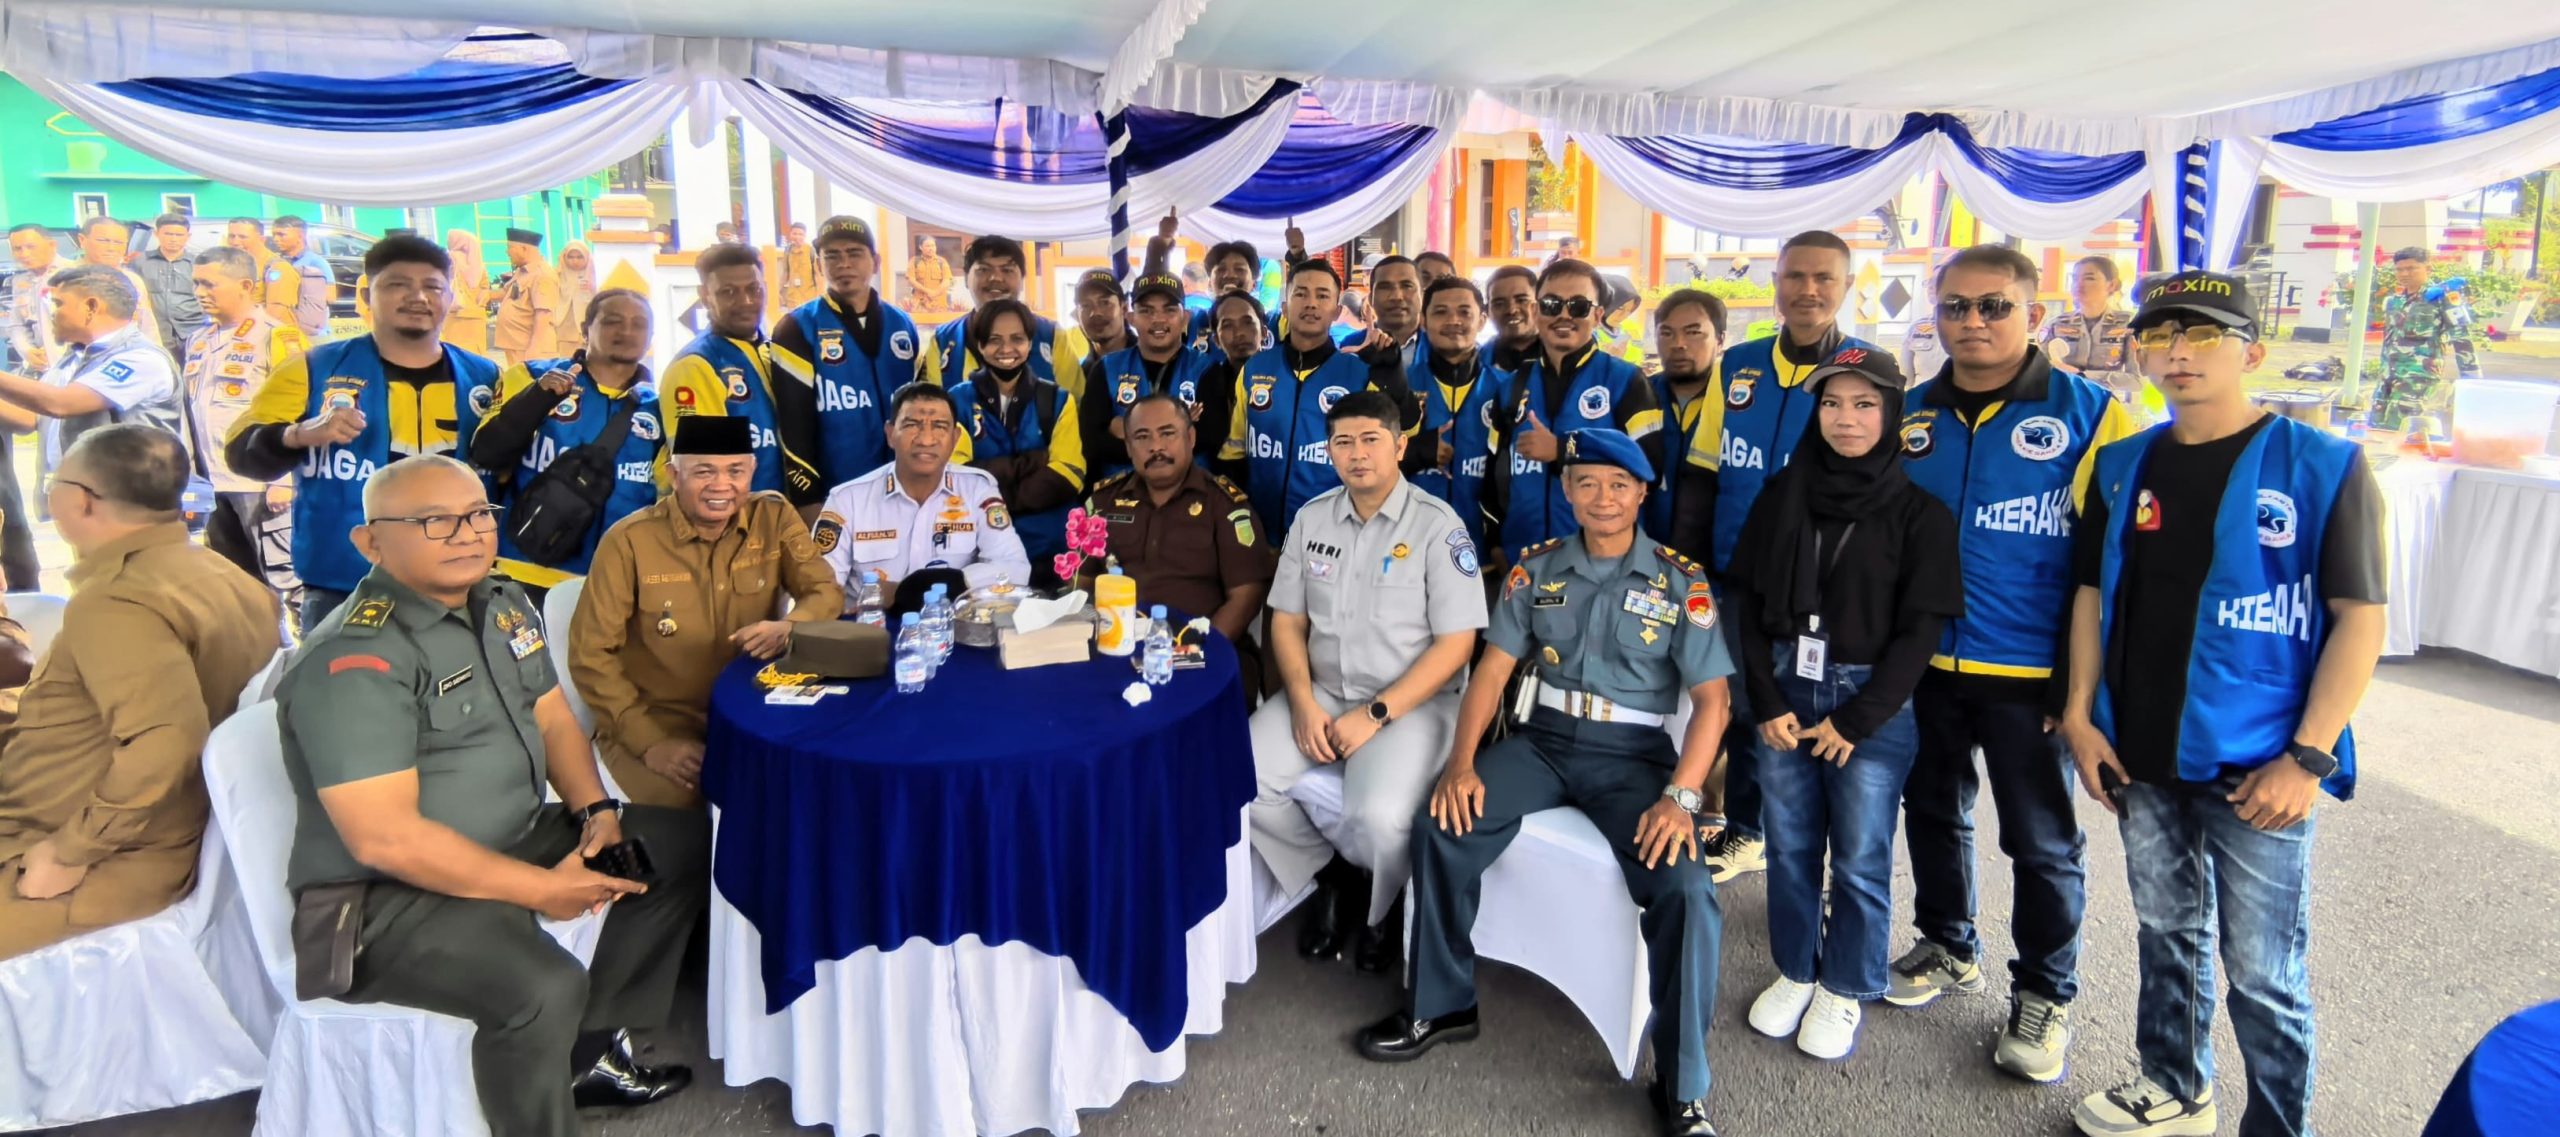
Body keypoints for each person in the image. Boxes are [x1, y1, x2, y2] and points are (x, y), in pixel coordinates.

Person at [276, 454, 707, 1136]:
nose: (468, 533)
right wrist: (542, 890)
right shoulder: (356, 658)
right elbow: (385, 838)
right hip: (385, 901)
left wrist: (596, 813)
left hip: (514, 835)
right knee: (540, 987)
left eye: (478, 514)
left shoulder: (499, 601)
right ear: (371, 542)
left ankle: (585, 1055)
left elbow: (551, 715)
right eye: (435, 521)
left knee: (676, 847)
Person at [2058, 271, 2383, 1137]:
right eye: (2160, 335)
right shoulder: (2121, 465)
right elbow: (2088, 593)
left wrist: (2307, 757)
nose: (2179, 352)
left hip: (2262, 766)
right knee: (2168, 933)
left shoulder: (2323, 466)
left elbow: (2360, 617)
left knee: (2265, 971)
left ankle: (2277, 1126)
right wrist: (2080, 717)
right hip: (2141, 752)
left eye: (2203, 335)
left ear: (2253, 351)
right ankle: (2174, 1085)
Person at [1360, 427, 1731, 1137]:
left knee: (1685, 888)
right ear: (1566, 490)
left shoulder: (1680, 582)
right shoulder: (1536, 569)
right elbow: (1492, 671)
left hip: (1634, 758)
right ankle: (1442, 1004)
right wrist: (1462, 763)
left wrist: (1682, 799)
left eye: (1618, 485)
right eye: (1586, 483)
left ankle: (1681, 1083)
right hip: (1543, 742)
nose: (1602, 497)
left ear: (1642, 493)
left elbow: (1713, 703)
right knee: (1442, 823)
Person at [1885, 245, 2143, 1081]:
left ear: (2034, 314)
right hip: (1925, 665)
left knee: (2041, 841)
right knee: (1933, 810)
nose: (1973, 322)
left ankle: (2044, 993)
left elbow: (2112, 567)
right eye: (1955, 306)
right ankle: (1948, 941)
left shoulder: (2095, 416)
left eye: (1994, 305)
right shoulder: (1909, 413)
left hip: (2033, 675)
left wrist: (2083, 692)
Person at [1724, 346, 1961, 1062]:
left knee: (1858, 856)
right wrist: (1765, 700)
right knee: (1791, 847)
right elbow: (1746, 602)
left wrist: (1856, 721)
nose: (1846, 419)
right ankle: (1797, 968)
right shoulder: (1783, 493)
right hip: (1785, 691)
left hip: (1868, 704)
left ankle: (1846, 984)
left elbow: (1921, 631)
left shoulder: (1920, 513)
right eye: (1831, 403)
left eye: (1864, 404)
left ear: (1891, 413)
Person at [0, 425, 276, 959]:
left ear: (81, 501)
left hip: (101, 857)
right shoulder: (228, 576)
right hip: (171, 839)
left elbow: (165, 743)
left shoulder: (118, 601)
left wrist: (68, 853)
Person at [1252, 388, 1484, 972]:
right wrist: (1301, 702)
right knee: (1239, 777)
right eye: (1343, 442)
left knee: (1378, 817)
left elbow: (1457, 645)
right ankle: (1325, 872)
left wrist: (1376, 714)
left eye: (1371, 440)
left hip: (1410, 704)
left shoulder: (1438, 527)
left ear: (1400, 446)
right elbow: (1287, 621)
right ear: (1328, 450)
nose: (1357, 454)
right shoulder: (1312, 518)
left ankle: (1383, 909)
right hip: (1326, 690)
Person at [1672, 229, 1877, 885]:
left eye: (1824, 277)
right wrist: (1691, 568)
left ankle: (1828, 867)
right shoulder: (1739, 365)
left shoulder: (1869, 369)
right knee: (1744, 709)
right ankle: (1747, 830)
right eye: (1795, 276)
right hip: (1737, 579)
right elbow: (1702, 473)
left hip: (1824, 588)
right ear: (1776, 283)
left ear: (1847, 286)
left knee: (1818, 719)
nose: (1807, 290)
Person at [226, 233, 498, 629]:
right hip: (343, 588)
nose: (417, 297)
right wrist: (298, 435)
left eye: (432, 287)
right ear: (366, 294)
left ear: (450, 296)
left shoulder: (485, 376)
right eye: (398, 285)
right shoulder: (313, 368)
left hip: (458, 586)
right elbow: (241, 454)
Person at [572, 416, 844, 808]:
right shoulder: (628, 542)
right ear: (674, 475)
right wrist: (650, 742)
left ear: (752, 471)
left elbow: (825, 590)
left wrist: (790, 627)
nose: (721, 485)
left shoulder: (773, 516)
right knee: (688, 814)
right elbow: (591, 654)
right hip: (663, 721)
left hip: (757, 711)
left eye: (735, 471)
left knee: (808, 788)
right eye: (704, 472)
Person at [465, 288, 661, 596]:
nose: (626, 331)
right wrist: (537, 398)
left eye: (639, 324)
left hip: (614, 583)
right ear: (585, 329)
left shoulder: (659, 407)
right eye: (612, 321)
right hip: (524, 570)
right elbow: (486, 454)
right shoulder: (532, 376)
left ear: (650, 338)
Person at [1087, 392, 1275, 694]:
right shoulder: (1103, 502)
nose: (1156, 447)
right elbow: (1082, 581)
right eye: (1142, 437)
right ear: (1129, 447)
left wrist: (1195, 651)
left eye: (1167, 433)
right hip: (1115, 648)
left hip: (1204, 650)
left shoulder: (1224, 504)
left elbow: (1246, 595)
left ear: (1190, 437)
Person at [1217, 259, 1421, 535]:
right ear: (1285, 307)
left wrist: (1393, 378)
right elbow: (1234, 451)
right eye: (1301, 294)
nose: (1311, 304)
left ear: (1336, 311)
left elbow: (1407, 428)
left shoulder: (1358, 374)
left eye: (1322, 296)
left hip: (1334, 537)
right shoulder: (1255, 369)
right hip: (1260, 535)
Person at [1482, 257, 1663, 563]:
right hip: (1522, 560)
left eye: (1578, 306)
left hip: (1602, 562)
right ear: (1536, 311)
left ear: (1598, 315)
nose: (1564, 315)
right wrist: (1496, 542)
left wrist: (1563, 449)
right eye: (1551, 304)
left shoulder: (1625, 381)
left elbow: (1650, 469)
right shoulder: (1511, 387)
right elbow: (1493, 475)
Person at [769, 215, 938, 493]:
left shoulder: (901, 324)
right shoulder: (796, 328)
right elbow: (792, 425)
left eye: (854, 253)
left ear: (876, 262)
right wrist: (808, 499)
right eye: (832, 255)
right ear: (819, 264)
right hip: (835, 494)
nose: (843, 264)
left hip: (903, 489)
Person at [814, 381, 1031, 596]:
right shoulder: (847, 500)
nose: (926, 440)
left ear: (955, 438)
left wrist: (948, 583)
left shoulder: (977, 489)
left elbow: (1015, 567)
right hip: (872, 618)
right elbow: (819, 585)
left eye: (939, 426)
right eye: (912, 425)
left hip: (952, 616)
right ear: (890, 434)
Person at [185, 245, 312, 602]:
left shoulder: (276, 336)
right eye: (196, 283)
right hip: (214, 480)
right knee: (233, 582)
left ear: (245, 285)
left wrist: (284, 479)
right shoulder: (199, 340)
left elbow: (301, 410)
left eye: (209, 284)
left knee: (286, 578)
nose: (200, 293)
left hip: (261, 481)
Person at [658, 243, 825, 510]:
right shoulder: (696, 366)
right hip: (738, 526)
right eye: (728, 292)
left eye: (753, 289)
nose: (745, 301)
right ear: (704, 296)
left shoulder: (775, 353)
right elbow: (704, 477)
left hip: (788, 520)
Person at [950, 298, 1087, 580]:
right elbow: (957, 474)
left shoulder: (1057, 400)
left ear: (1029, 343)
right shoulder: (957, 401)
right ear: (980, 345)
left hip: (1050, 548)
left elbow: (1069, 472)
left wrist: (995, 493)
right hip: (981, 549)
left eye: (1017, 339)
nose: (1006, 349)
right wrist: (1032, 462)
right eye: (995, 340)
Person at [0, 264, 184, 473]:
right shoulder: (73, 358)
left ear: (91, 307)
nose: (52, 313)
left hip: (125, 491)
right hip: (69, 488)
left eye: (58, 304)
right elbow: (32, 418)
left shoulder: (141, 359)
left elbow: (61, 404)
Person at [1085, 273, 1222, 479]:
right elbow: (1093, 441)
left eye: (1169, 310)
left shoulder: (1206, 368)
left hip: (1191, 491)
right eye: (1146, 311)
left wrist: (1131, 432)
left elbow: (1210, 437)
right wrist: (1179, 427)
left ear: (1185, 318)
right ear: (1131, 318)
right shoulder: (1106, 369)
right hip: (1121, 491)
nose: (1158, 319)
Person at [1412, 276, 1506, 548]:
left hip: (1482, 552)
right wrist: (1415, 451)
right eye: (1440, 312)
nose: (1453, 320)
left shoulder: (1507, 390)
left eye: (1464, 312)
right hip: (1410, 549)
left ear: (1482, 320)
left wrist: (1497, 540)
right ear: (1423, 320)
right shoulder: (1400, 386)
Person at [930, 236, 1088, 393]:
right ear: (966, 278)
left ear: (1022, 279)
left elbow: (1074, 400)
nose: (996, 278)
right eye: (984, 270)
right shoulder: (943, 339)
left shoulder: (1051, 335)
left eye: (1007, 270)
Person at [1643, 289, 1726, 546]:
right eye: (1666, 333)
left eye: (1693, 332)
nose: (1678, 344)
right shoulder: (1638, 398)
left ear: (1720, 340)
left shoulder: (1738, 406)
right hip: (1646, 556)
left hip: (1714, 559)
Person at [2371, 246, 2471, 433]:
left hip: (2417, 380)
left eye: (2411, 268)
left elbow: (2462, 340)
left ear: (2428, 269)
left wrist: (2472, 381)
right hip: (2388, 378)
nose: (2404, 274)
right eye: (2399, 269)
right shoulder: (2394, 301)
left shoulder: (2444, 298)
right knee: (2377, 429)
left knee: (2407, 429)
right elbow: (2389, 342)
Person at [2038, 255, 2150, 418]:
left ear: (2112, 285)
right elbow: (2038, 372)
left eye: (2089, 278)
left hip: (2105, 408)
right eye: (2075, 278)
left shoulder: (2129, 325)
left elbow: (2137, 381)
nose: (2079, 284)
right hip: (2062, 408)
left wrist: (2083, 375)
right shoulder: (2056, 324)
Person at [72, 217, 163, 347]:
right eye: (103, 241)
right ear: (82, 240)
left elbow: (148, 326)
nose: (111, 248)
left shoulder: (133, 280)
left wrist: (156, 354)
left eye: (119, 242)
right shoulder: (61, 280)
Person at [134, 212, 208, 358]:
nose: (173, 239)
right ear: (156, 234)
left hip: (193, 331)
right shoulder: (140, 262)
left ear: (188, 236)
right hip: (156, 333)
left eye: (179, 235)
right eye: (168, 234)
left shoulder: (199, 264)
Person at [491, 228, 562, 369]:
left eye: (510, 247)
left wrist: (535, 347)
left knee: (532, 382)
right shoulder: (523, 271)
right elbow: (508, 293)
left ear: (524, 249)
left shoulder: (543, 275)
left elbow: (543, 313)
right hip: (517, 344)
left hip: (530, 348)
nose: (507, 252)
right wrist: (485, 294)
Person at [264, 216, 333, 338]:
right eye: (274, 235)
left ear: (300, 236)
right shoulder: (274, 262)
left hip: (311, 333)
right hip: (281, 330)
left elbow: (331, 296)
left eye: (281, 235)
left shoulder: (316, 262)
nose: (276, 239)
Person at [1073, 267, 1133, 378]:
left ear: (1124, 309)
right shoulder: (1076, 376)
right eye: (1086, 305)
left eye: (1105, 303)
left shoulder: (1150, 360)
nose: (1095, 312)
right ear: (1077, 315)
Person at [1368, 255, 1424, 367]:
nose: (1396, 297)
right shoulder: (1351, 347)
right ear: (1370, 298)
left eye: (1407, 286)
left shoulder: (1440, 347)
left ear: (1422, 296)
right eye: (1385, 287)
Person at [444, 229, 493, 355]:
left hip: (455, 314)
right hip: (476, 315)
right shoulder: (478, 263)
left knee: (455, 353)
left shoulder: (450, 258)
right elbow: (485, 287)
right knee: (475, 353)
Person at [1483, 265, 1540, 371]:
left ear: (1540, 304)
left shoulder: (1564, 361)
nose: (1511, 310)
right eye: (1499, 304)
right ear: (1487, 311)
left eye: (1522, 300)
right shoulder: (1475, 366)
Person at [553, 241, 597, 359]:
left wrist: (593, 287)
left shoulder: (595, 275)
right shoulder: (557, 275)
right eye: (571, 257)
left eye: (579, 257)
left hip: (586, 326)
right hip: (563, 326)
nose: (575, 261)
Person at [777, 221, 822, 310]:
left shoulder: (811, 250)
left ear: (805, 236)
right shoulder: (788, 250)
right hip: (792, 298)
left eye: (801, 234)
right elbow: (785, 273)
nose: (797, 237)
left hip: (809, 297)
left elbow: (818, 275)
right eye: (795, 234)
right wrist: (777, 290)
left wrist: (820, 295)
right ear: (790, 235)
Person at [907, 234, 956, 314]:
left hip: (938, 305)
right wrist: (927, 291)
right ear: (920, 247)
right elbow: (911, 280)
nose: (931, 248)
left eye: (933, 245)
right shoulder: (914, 261)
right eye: (928, 246)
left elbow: (947, 281)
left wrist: (935, 293)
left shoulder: (942, 261)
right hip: (919, 304)